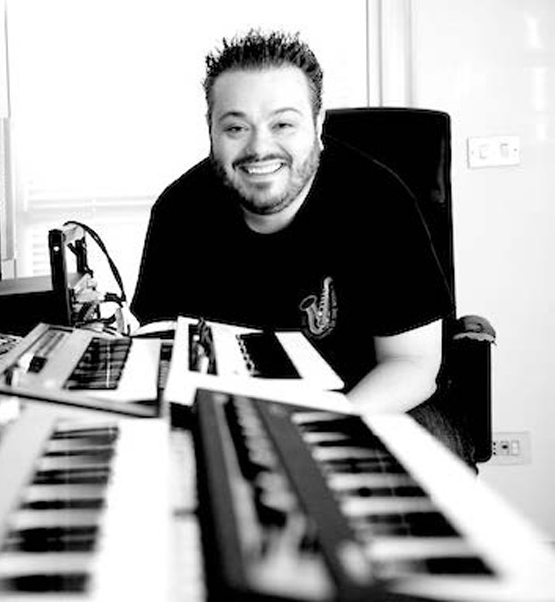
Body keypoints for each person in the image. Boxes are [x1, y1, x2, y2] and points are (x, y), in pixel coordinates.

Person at [131, 29, 472, 465]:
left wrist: (318, 430)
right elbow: (163, 353)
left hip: (373, 401)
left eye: (283, 124)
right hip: (237, 414)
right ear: (211, 129)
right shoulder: (179, 210)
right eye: (235, 127)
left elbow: (412, 366)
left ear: (318, 123)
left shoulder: (380, 201)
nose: (259, 148)